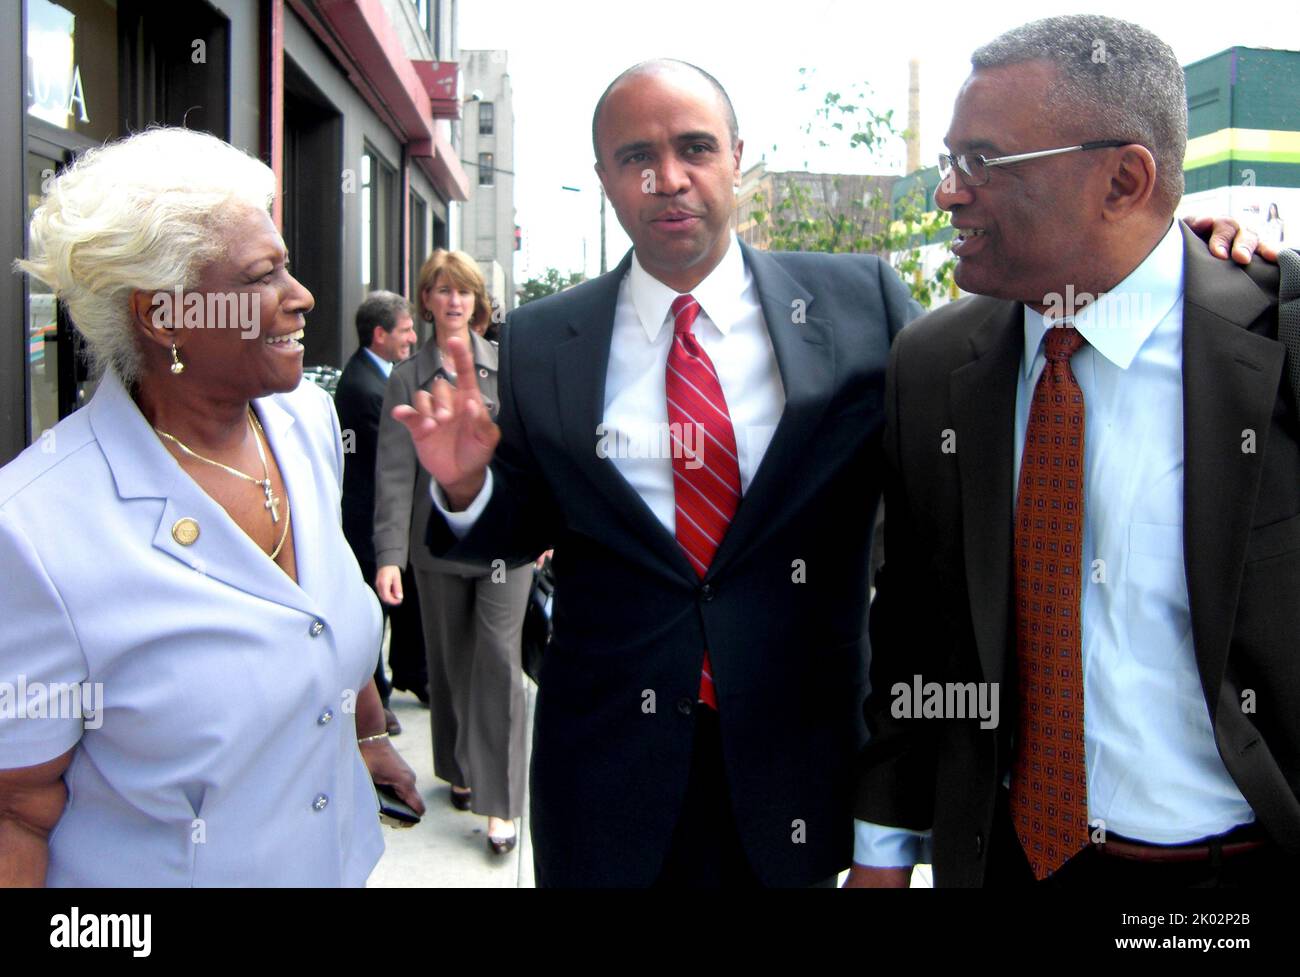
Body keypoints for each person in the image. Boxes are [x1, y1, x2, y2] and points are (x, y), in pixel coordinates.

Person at [849, 15, 1296, 888]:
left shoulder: (1275, 335)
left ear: (1124, 180)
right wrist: (882, 850)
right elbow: (912, 633)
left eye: (983, 162)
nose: (948, 193)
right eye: (950, 161)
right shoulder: (935, 366)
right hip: (1013, 859)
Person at [0, 126, 424, 887]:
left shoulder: (304, 425)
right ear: (164, 318)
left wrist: (364, 736)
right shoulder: (34, 531)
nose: (302, 297)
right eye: (263, 276)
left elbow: (317, 617)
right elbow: (17, 811)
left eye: (286, 265)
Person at [373, 250, 531, 854]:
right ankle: (463, 767)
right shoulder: (404, 378)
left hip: (505, 547)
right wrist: (390, 555)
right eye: (441, 290)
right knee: (451, 662)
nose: (454, 299)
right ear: (428, 300)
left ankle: (501, 801)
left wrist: (538, 528)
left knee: (496, 658)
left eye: (463, 290)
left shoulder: (508, 367)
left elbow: (525, 455)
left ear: (476, 299)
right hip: (436, 546)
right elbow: (392, 473)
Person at [334, 291, 427, 732]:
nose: (412, 337)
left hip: (387, 518)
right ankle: (378, 698)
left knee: (402, 603)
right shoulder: (363, 387)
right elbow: (391, 459)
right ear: (380, 334)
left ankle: (412, 675)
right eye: (405, 329)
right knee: (375, 612)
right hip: (371, 521)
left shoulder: (383, 377)